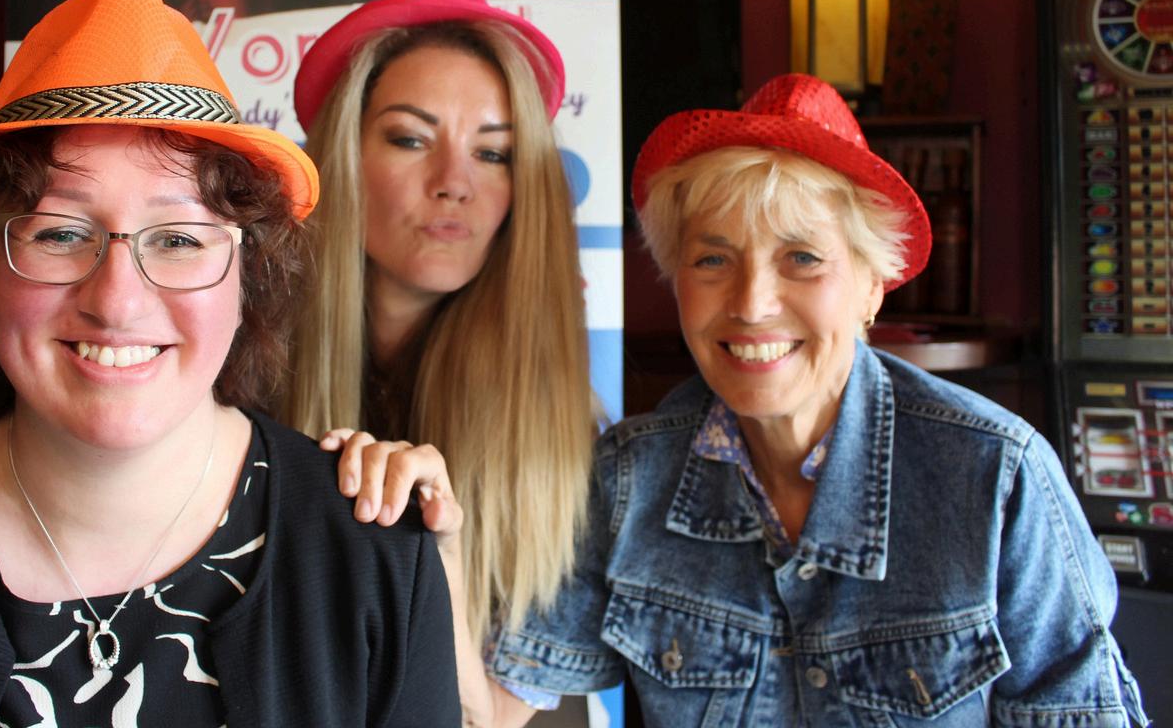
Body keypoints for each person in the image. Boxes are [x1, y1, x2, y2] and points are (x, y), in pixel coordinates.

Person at [0, 0, 460, 727]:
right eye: (58, 234)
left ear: (247, 282)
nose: (117, 302)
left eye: (179, 239)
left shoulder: (375, 560)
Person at [484, 74, 1149, 726]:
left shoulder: (997, 478)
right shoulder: (630, 477)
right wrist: (448, 539)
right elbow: (496, 706)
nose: (751, 304)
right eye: (713, 260)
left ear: (871, 286)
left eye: (801, 258)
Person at [283, 0, 597, 718]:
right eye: (410, 139)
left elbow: (492, 719)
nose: (454, 182)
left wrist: (443, 558)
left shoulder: (571, 433)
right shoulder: (230, 371)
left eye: (493, 154)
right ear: (343, 157)